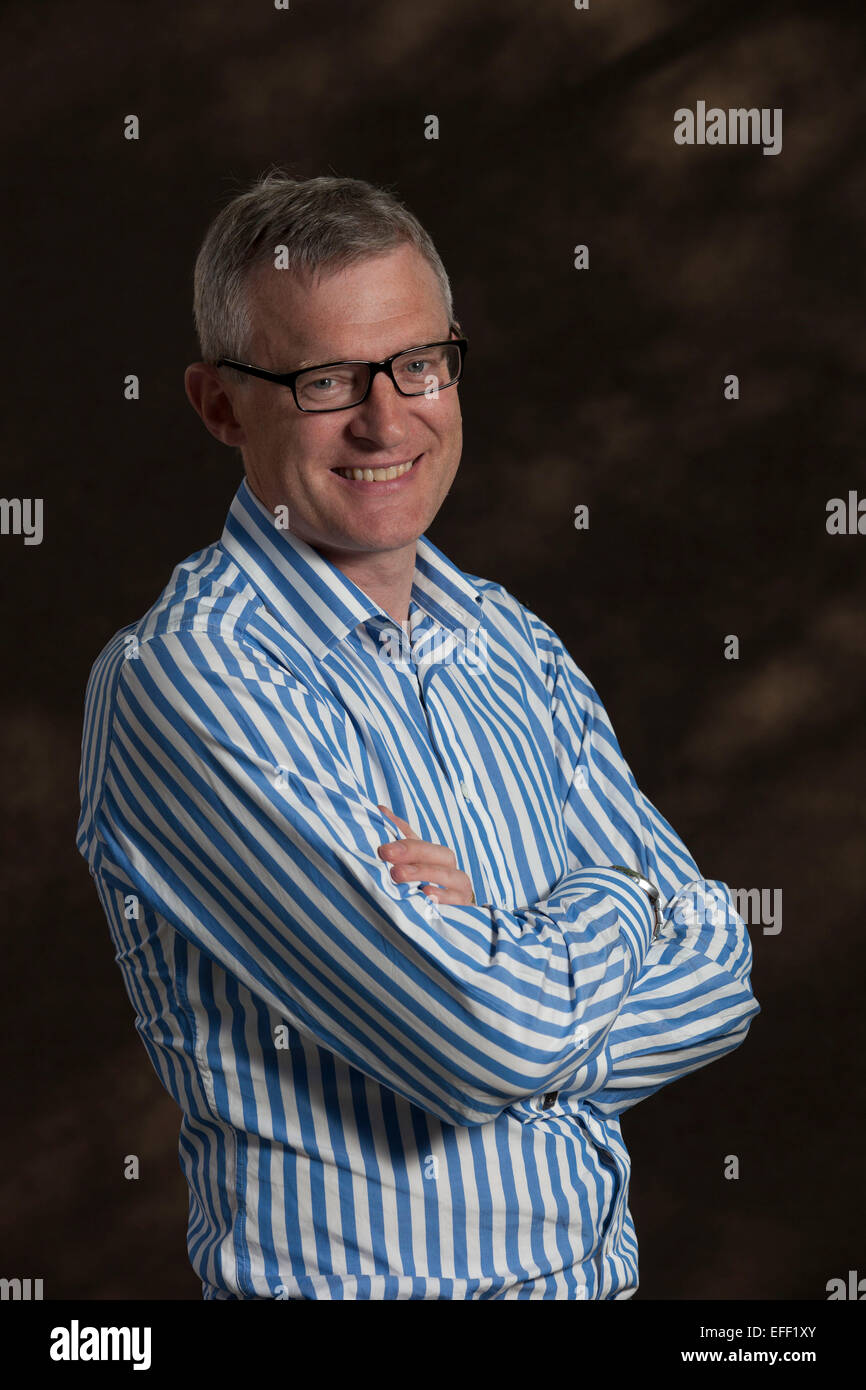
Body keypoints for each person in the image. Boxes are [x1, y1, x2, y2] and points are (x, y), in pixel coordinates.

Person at [76, 170, 760, 1300]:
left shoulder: (509, 641)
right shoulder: (189, 680)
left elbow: (722, 976)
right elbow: (477, 1040)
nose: (385, 419)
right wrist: (622, 904)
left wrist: (503, 960)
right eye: (325, 378)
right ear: (217, 404)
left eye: (417, 365)